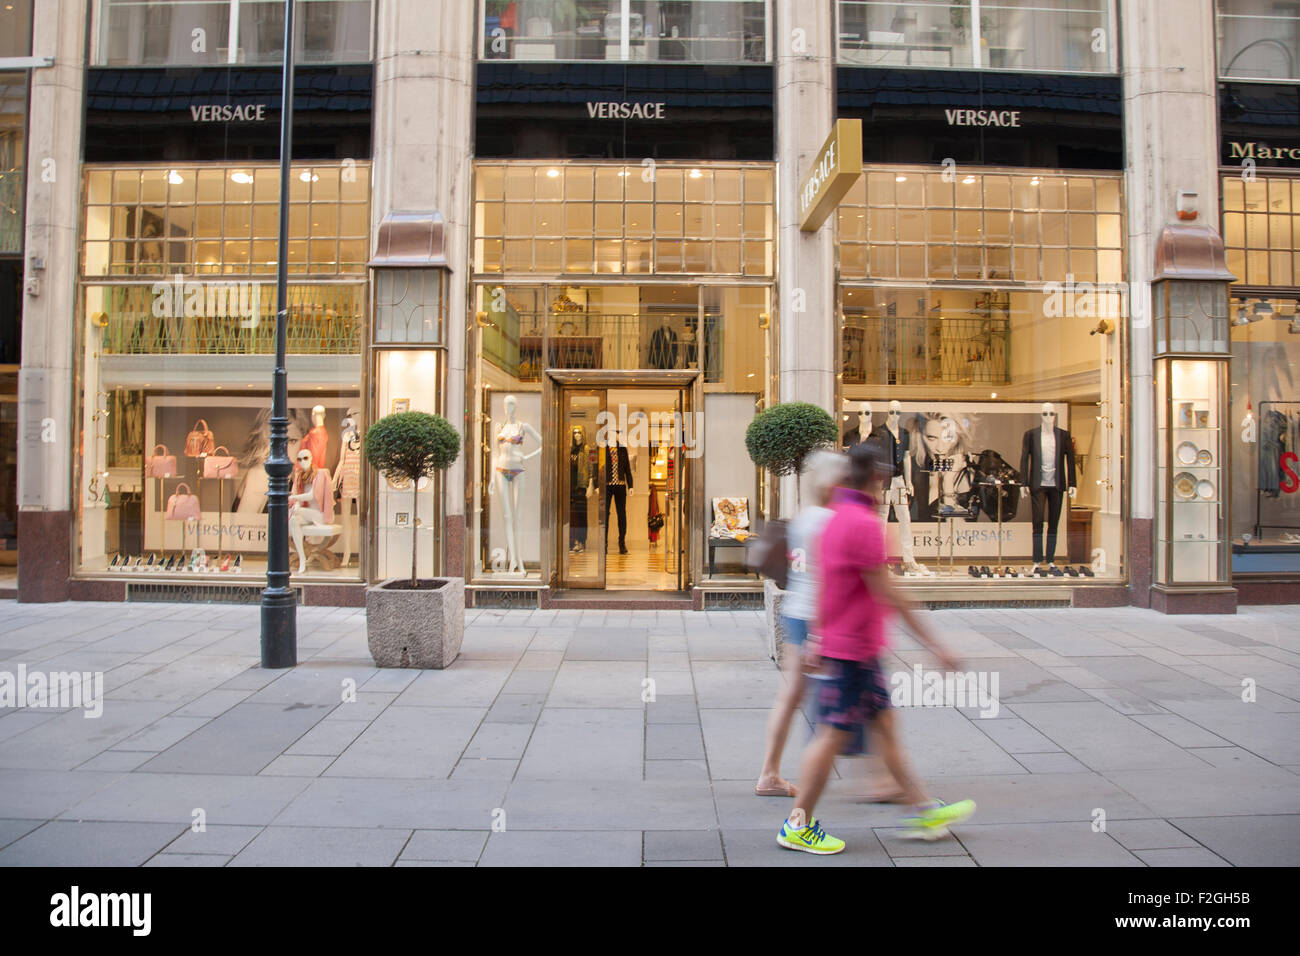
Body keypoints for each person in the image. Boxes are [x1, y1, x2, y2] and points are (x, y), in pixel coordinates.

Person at [777, 440, 976, 855]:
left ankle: (923, 808)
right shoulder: (862, 524)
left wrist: (815, 634)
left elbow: (828, 585)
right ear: (878, 477)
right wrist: (937, 646)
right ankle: (797, 823)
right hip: (852, 650)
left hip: (852, 646)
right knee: (831, 735)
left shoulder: (836, 519)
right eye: (886, 478)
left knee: (884, 729)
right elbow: (888, 593)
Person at [755, 450, 846, 798]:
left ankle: (770, 772)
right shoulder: (828, 520)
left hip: (795, 612)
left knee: (791, 693)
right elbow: (828, 580)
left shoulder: (805, 517)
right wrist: (820, 635)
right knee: (845, 698)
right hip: (817, 618)